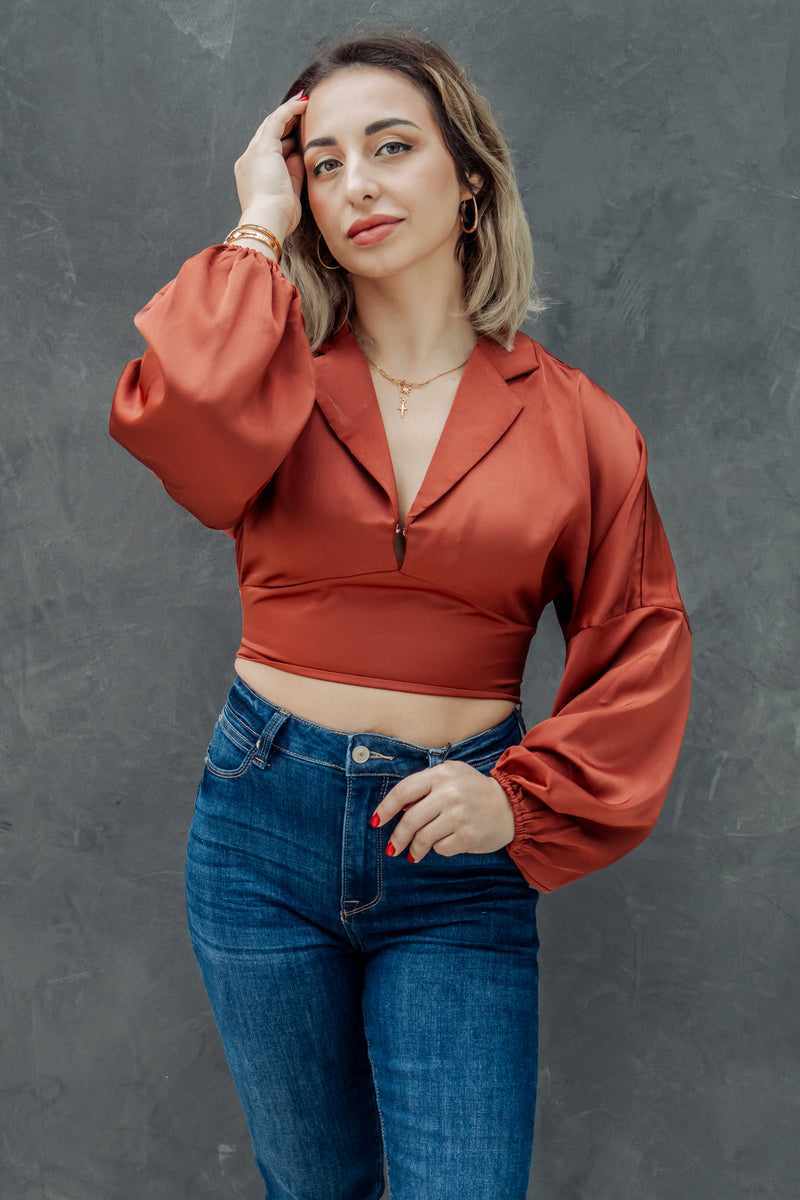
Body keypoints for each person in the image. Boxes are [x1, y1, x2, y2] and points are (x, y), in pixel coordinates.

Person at [110, 30, 692, 1200]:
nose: (356, 185)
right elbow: (174, 414)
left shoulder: (577, 422)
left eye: (390, 147)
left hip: (452, 850)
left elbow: (638, 639)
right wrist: (259, 217)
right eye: (323, 164)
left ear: (466, 176)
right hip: (257, 833)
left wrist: (516, 799)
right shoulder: (268, 375)